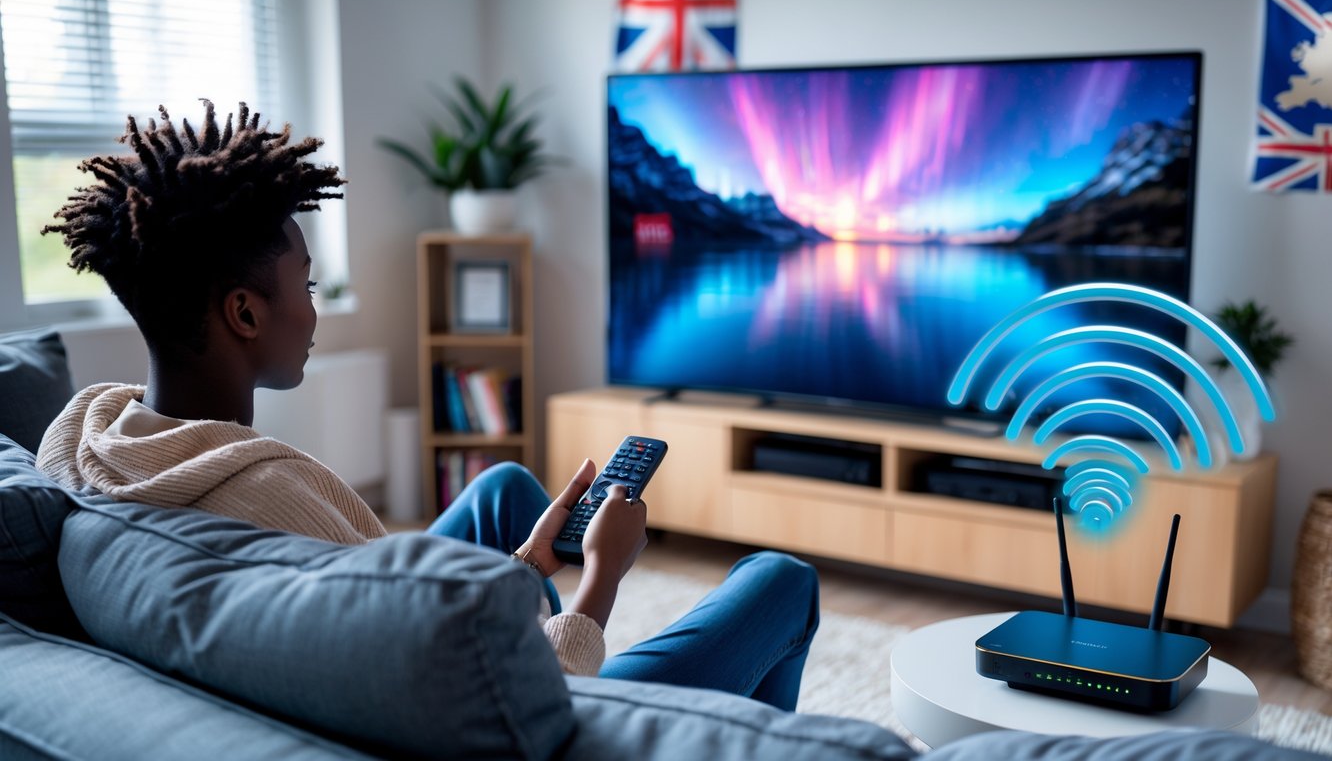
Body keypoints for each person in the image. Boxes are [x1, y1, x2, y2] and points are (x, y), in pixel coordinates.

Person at [35, 100, 820, 709]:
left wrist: (531, 566)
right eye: (305, 287)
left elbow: (399, 626)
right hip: (548, 715)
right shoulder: (269, 500)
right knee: (781, 581)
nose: (311, 308)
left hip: (408, 659)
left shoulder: (81, 441)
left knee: (509, 492)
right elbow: (514, 692)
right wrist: (601, 578)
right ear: (243, 314)